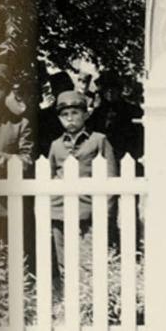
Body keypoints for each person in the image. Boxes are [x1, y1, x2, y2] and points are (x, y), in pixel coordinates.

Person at [47, 90, 117, 285]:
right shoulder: (56, 145)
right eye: (64, 115)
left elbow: (111, 179)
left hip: (88, 212)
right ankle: (69, 304)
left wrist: (105, 213)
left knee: (88, 261)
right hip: (60, 213)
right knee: (65, 262)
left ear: (86, 114)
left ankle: (87, 304)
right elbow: (51, 177)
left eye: (75, 113)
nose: (70, 119)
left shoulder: (98, 140)